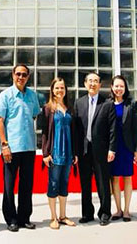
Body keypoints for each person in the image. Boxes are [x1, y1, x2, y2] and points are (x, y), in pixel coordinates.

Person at [0, 63, 41, 232]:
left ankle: (24, 218)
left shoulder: (32, 95)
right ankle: (11, 219)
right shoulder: (5, 95)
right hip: (11, 148)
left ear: (28, 77)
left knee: (27, 185)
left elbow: (34, 115)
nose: (21, 77)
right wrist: (4, 145)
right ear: (13, 75)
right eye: (18, 74)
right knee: (9, 185)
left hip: (28, 147)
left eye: (24, 74)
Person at [73, 71, 116, 226]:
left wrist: (112, 149)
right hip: (84, 150)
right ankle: (87, 214)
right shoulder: (79, 103)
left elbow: (113, 129)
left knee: (103, 183)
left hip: (101, 150)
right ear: (85, 84)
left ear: (100, 84)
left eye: (95, 81)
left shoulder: (107, 103)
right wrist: (75, 152)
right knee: (85, 184)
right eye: (90, 81)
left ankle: (105, 213)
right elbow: (76, 130)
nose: (92, 84)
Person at [39, 77, 78, 230]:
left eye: (62, 88)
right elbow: (44, 133)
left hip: (68, 152)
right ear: (52, 90)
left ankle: (63, 215)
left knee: (64, 183)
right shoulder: (47, 109)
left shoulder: (70, 108)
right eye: (57, 88)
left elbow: (74, 132)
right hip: (54, 153)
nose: (60, 90)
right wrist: (45, 153)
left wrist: (75, 153)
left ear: (65, 90)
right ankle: (53, 217)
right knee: (53, 183)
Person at [109, 75, 137, 222]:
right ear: (112, 87)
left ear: (125, 88)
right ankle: (118, 209)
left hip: (127, 146)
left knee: (127, 177)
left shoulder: (131, 104)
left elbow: (136, 128)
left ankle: (127, 210)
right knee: (114, 178)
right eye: (116, 86)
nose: (119, 89)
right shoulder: (108, 104)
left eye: (121, 86)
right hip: (113, 147)